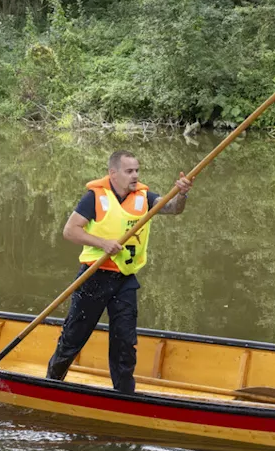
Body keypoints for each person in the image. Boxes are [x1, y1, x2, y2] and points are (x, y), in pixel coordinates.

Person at [46, 150, 192, 393]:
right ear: (113, 173)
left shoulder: (144, 198)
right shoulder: (93, 198)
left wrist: (183, 192)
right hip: (93, 276)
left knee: (124, 341)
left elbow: (174, 208)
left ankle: (124, 394)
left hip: (124, 279)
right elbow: (70, 231)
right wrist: (103, 243)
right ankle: (51, 383)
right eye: (129, 171)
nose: (135, 175)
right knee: (74, 337)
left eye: (137, 170)